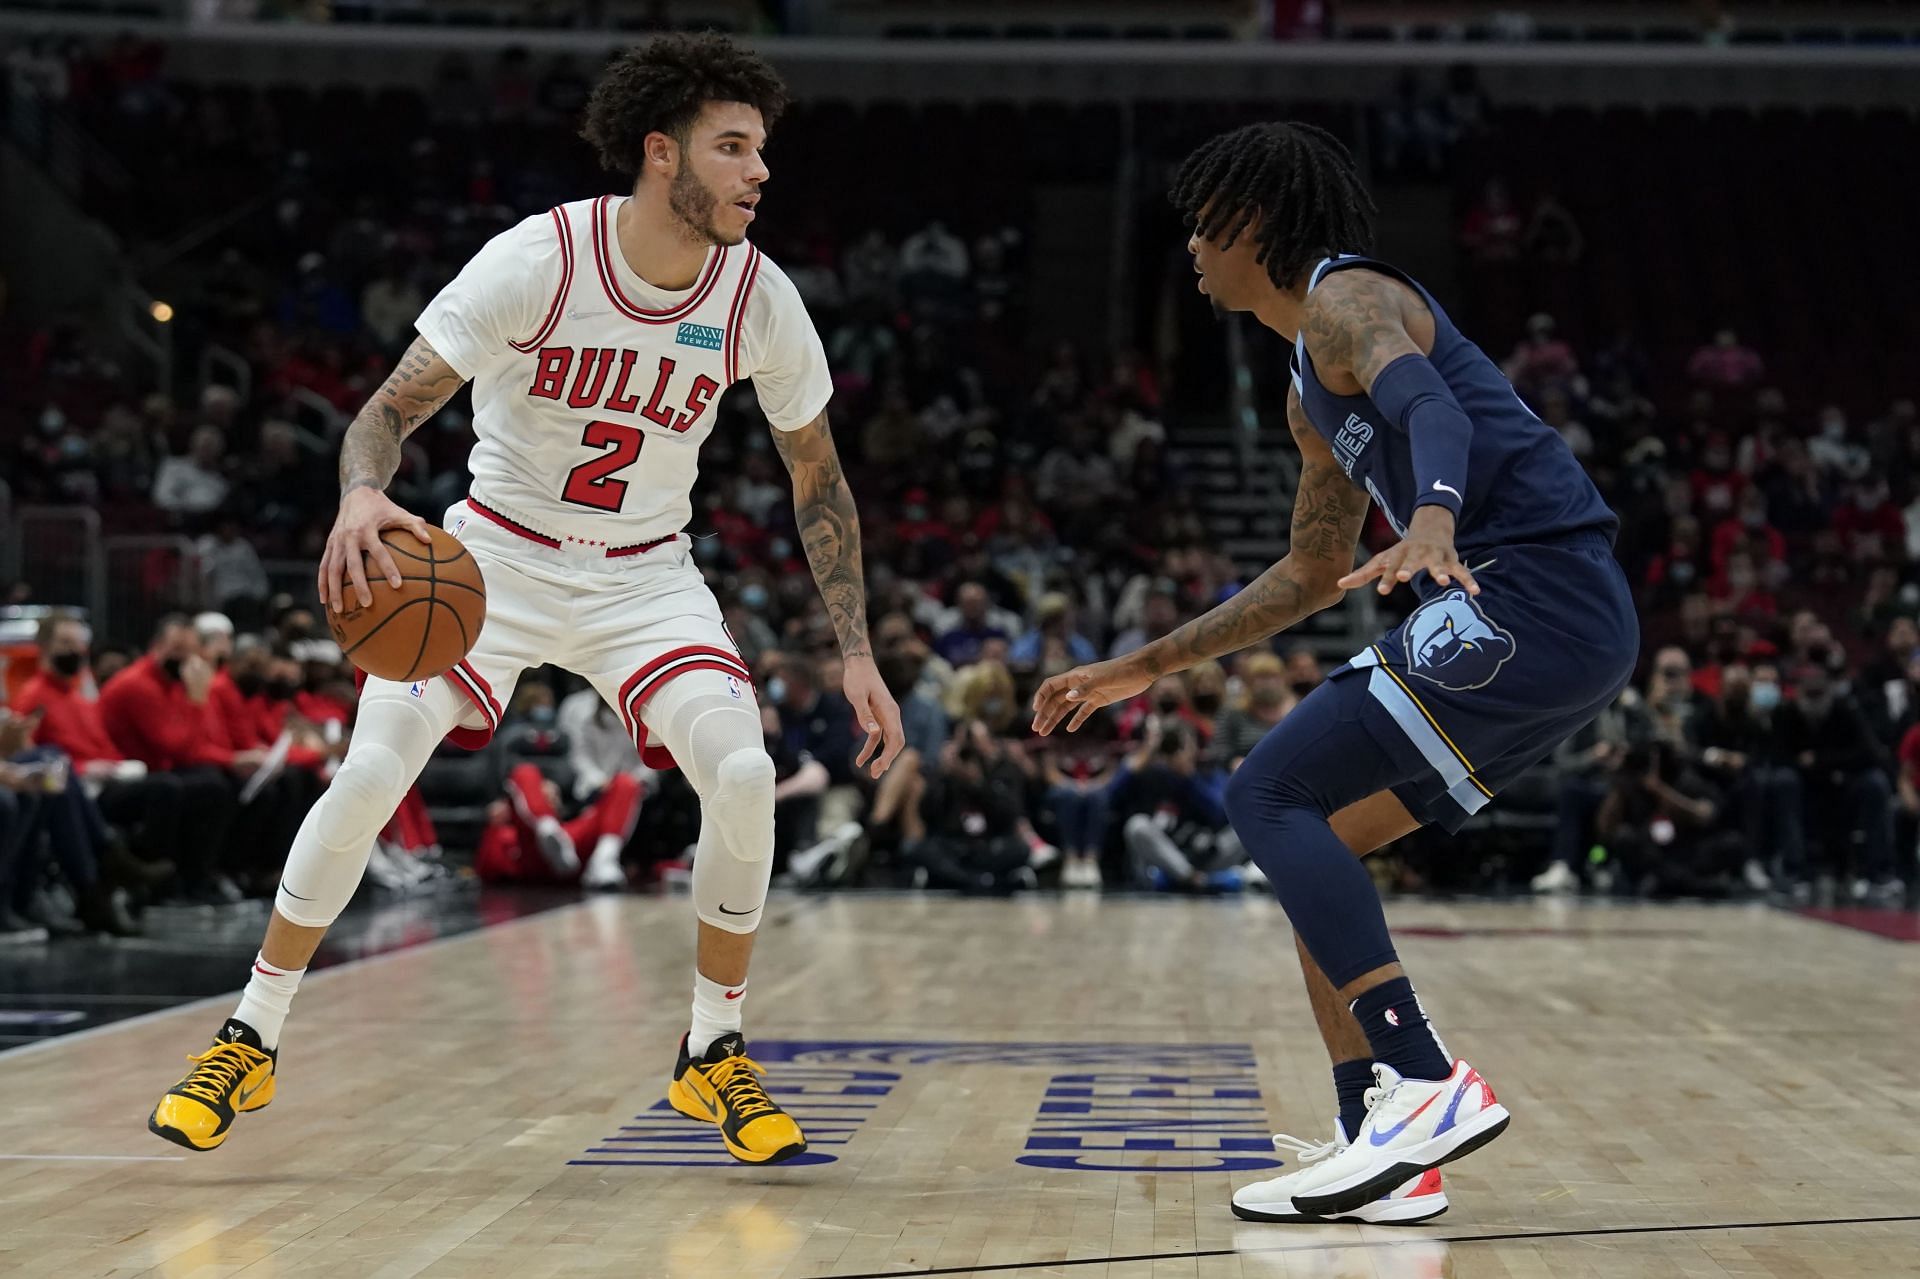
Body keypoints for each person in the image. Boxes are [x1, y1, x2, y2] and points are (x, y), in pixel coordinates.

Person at [148, 35, 906, 1168]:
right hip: (492, 561)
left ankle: (714, 1052)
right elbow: (385, 413)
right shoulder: (538, 258)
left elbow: (819, 476)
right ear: (662, 154)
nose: (760, 172)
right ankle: (250, 1034)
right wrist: (361, 495)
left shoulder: (758, 293)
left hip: (646, 572)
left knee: (745, 775)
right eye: (733, 147)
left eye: (763, 148)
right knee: (368, 772)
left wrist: (857, 648)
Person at [1033, 122, 1636, 1226]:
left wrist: (1437, 519)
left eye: (1204, 226)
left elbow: (1435, 408)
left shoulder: (1346, 299)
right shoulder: (1310, 389)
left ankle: (1422, 1077)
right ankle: (1386, 1143)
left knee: (1268, 790)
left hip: (1531, 591)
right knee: (1325, 840)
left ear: (1252, 225)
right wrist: (1146, 664)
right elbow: (1311, 573)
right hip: (1559, 620)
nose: (1192, 251)